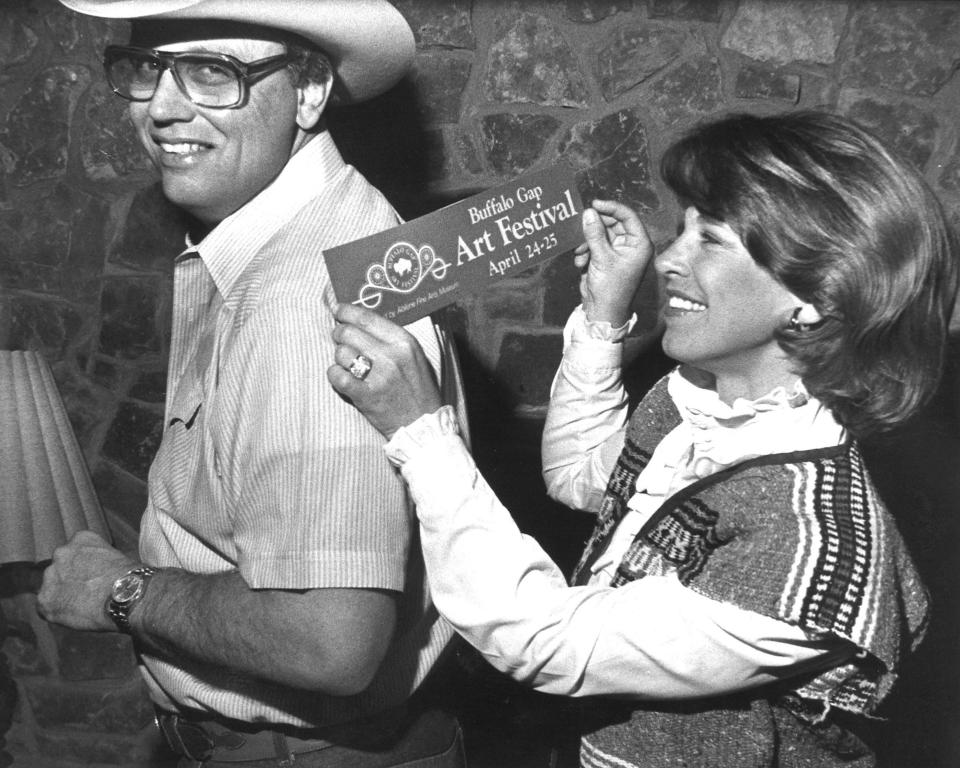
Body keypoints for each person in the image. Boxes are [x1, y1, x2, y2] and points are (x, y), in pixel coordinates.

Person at [327, 111, 959, 767]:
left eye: (709, 239)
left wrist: (419, 430)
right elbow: (578, 477)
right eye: (681, 226)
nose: (668, 257)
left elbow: (546, 641)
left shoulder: (812, 547)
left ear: (816, 297)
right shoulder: (700, 398)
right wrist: (603, 313)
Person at [37, 2, 468, 766]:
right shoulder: (307, 235)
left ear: (307, 93)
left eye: (213, 72)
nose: (163, 109)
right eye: (147, 70)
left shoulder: (301, 302)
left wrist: (121, 591)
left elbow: (330, 639)